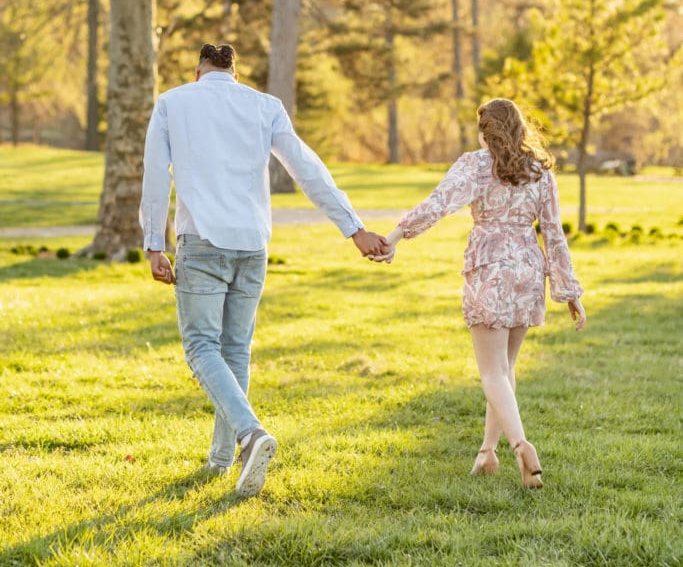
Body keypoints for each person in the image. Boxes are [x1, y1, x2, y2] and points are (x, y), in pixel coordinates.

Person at [139, 42, 389, 498]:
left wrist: (154, 242)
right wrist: (354, 229)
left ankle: (250, 435)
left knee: (200, 347)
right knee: (235, 351)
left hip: (203, 241)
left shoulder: (173, 102)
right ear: (236, 74)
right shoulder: (263, 106)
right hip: (253, 246)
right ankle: (220, 461)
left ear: (198, 72)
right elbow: (307, 168)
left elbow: (157, 173)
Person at [375, 98, 585, 489]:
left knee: (492, 372)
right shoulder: (539, 171)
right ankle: (487, 454)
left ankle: (522, 446)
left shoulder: (474, 164)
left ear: (485, 130)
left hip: (490, 268)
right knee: (504, 369)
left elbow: (437, 204)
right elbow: (554, 235)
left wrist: (395, 237)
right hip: (526, 270)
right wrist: (569, 292)